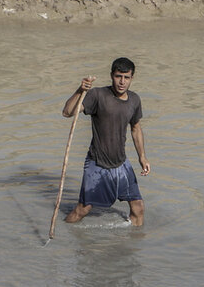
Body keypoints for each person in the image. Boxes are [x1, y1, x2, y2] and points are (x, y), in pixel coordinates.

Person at [62, 57, 150, 226]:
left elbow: (136, 128)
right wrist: (80, 90)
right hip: (98, 164)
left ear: (132, 78)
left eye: (126, 77)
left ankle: (133, 247)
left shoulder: (134, 100)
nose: (122, 82)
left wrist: (142, 157)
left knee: (138, 207)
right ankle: (65, 231)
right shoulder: (97, 95)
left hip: (121, 164)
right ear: (111, 75)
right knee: (83, 209)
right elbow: (67, 112)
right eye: (118, 76)